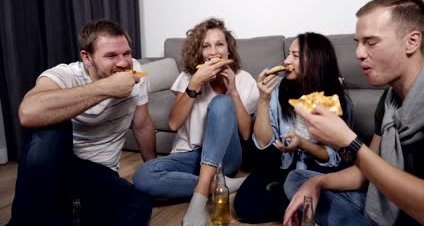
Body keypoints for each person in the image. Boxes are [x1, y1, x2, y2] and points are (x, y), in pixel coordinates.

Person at [283, 0, 424, 226]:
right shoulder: (391, 97)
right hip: (388, 201)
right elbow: (366, 170)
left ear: (412, 41)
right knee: (298, 179)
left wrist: (348, 142)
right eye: (358, 43)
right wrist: (317, 183)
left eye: (371, 42)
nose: (359, 53)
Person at [10, 19, 156, 225]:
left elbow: (142, 125)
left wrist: (153, 169)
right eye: (111, 56)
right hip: (56, 165)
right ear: (87, 57)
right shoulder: (65, 74)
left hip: (100, 173)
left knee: (139, 204)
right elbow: (27, 113)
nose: (123, 62)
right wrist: (106, 88)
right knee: (50, 124)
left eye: (127, 53)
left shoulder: (136, 74)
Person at [132, 17, 259, 226]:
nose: (214, 52)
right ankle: (218, 184)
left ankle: (200, 195)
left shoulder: (244, 79)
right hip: (191, 155)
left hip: (226, 158)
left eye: (219, 44)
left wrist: (233, 91)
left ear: (229, 49)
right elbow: (174, 123)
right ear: (199, 52)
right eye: (206, 46)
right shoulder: (188, 77)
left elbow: (246, 135)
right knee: (142, 177)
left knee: (221, 103)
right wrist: (195, 84)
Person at [233, 32, 354, 223]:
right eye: (288, 54)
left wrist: (303, 144)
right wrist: (263, 99)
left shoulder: (336, 99)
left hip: (318, 170)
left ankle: (304, 206)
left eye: (295, 56)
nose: (286, 60)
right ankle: (303, 209)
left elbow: (334, 157)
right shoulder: (278, 89)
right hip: (281, 164)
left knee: (320, 194)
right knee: (244, 206)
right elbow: (263, 143)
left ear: (315, 61)